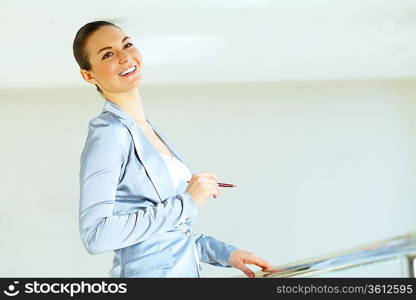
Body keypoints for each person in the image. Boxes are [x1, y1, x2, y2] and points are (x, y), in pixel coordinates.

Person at [73, 20, 274, 278]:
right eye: (108, 54)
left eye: (127, 45)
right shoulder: (109, 132)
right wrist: (188, 201)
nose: (125, 57)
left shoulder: (147, 130)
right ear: (89, 75)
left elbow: (166, 237)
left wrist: (226, 253)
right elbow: (96, 235)